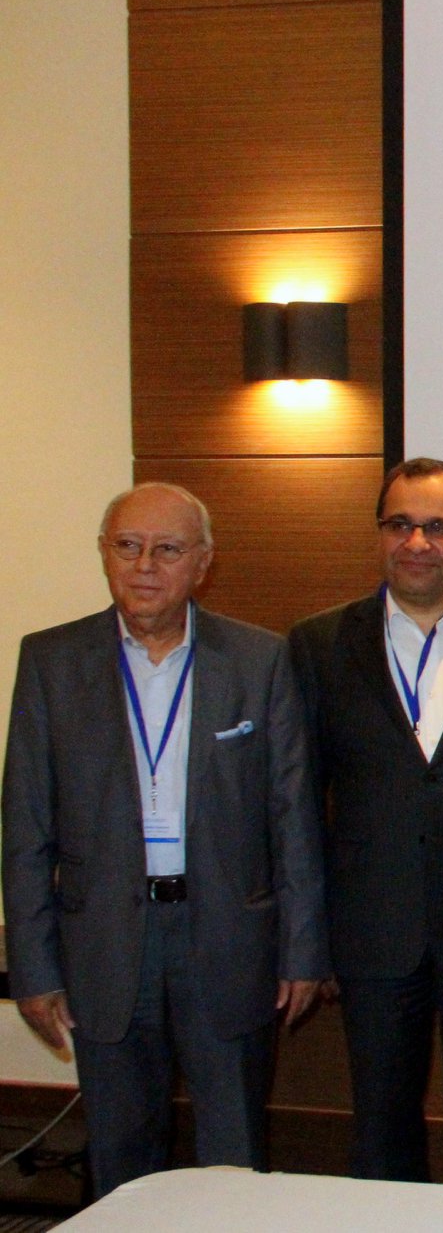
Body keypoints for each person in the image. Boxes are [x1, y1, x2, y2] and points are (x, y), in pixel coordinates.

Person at [1, 483, 327, 1197]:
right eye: (128, 546)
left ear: (203, 563)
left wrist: (303, 949)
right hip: (104, 943)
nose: (144, 565)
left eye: (167, 549)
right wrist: (33, 967)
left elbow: (292, 817)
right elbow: (24, 827)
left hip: (229, 940)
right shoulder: (51, 661)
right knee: (120, 1159)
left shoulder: (260, 660)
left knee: (232, 1159)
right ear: (104, 553)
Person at [289, 459, 443, 1185]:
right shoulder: (318, 644)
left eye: (438, 527)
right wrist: (308, 934)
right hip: (371, 927)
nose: (417, 542)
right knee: (381, 1128)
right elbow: (299, 803)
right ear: (380, 534)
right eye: (400, 524)